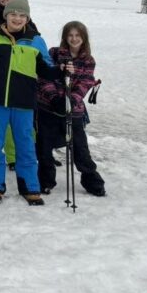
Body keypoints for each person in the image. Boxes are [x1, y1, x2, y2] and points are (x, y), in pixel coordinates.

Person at [0, 0, 61, 206]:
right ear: (6, 15)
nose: (17, 18)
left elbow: (46, 69)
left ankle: (30, 187)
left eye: (22, 15)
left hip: (24, 103)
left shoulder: (35, 40)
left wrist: (60, 70)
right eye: (13, 14)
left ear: (27, 18)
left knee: (26, 145)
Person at [36, 21, 105, 197]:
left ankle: (91, 180)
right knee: (44, 146)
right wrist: (54, 98)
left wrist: (70, 100)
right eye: (70, 35)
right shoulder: (54, 53)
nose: (74, 39)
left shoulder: (88, 60)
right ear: (65, 37)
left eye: (78, 36)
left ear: (83, 38)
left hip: (72, 110)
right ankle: (45, 180)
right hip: (49, 107)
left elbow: (85, 83)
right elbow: (44, 77)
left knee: (80, 147)